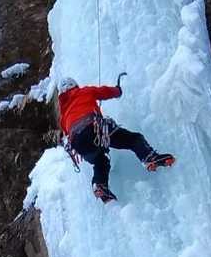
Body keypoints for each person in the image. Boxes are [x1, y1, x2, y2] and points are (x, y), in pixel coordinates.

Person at [57, 75, 174, 203]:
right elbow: (104, 91)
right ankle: (149, 157)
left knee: (101, 161)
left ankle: (99, 184)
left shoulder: (63, 116)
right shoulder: (84, 91)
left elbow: (66, 134)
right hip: (95, 129)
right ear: (74, 86)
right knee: (134, 139)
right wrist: (118, 91)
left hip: (79, 145)